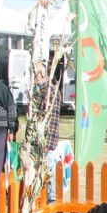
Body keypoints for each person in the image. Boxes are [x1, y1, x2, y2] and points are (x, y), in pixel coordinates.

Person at [29, 63, 62, 203]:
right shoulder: (34, 89)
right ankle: (37, 194)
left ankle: (52, 197)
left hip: (46, 136)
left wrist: (48, 141)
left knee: (48, 167)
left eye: (35, 73)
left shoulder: (51, 91)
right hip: (34, 135)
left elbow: (52, 118)